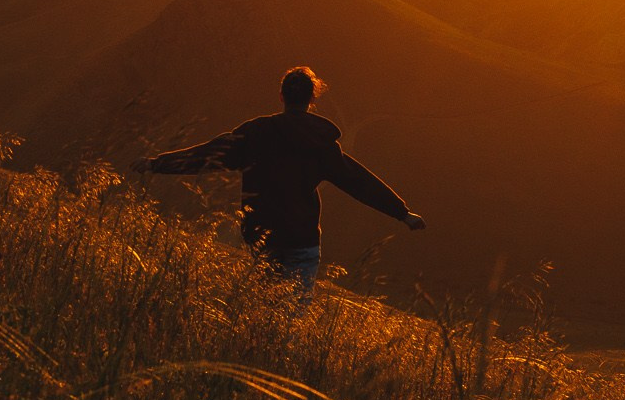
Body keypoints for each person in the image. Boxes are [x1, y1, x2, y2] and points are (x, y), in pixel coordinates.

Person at [133, 66, 425, 290]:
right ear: (312, 98)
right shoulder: (320, 142)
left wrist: (155, 164)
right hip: (302, 238)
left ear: (282, 96)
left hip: (263, 235)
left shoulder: (256, 133)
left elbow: (206, 156)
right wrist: (402, 213)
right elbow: (358, 181)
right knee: (290, 316)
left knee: (263, 308)